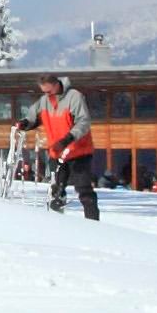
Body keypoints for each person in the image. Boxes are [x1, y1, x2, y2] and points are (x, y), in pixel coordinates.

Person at [41, 76, 101, 221]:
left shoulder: (74, 98)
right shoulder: (46, 102)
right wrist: (25, 123)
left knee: (84, 189)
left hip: (78, 151)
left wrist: (68, 139)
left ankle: (93, 224)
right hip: (57, 152)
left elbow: (83, 122)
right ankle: (56, 223)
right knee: (56, 190)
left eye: (49, 90)